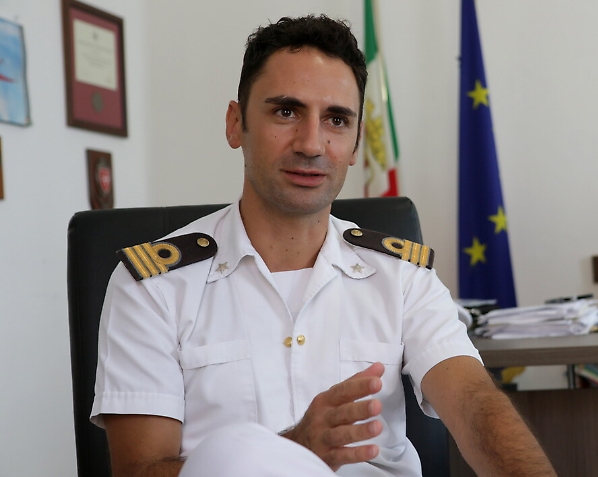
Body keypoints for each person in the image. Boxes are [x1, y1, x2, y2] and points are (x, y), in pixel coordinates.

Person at [91, 14, 556, 477]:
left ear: (356, 143)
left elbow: (474, 403)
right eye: (286, 112)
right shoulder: (152, 286)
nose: (312, 144)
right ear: (235, 124)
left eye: (336, 119)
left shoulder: (401, 276)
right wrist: (293, 450)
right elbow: (139, 471)